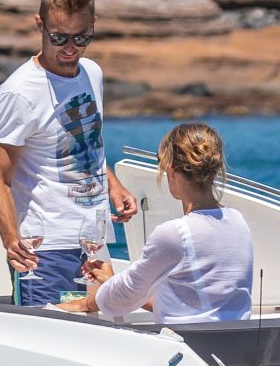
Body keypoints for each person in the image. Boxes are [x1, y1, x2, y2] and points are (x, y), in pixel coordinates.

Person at [0, 0, 136, 308]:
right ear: (39, 25)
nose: (70, 48)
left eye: (81, 37)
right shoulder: (18, 93)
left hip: (94, 243)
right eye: (59, 38)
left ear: (93, 24)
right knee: (49, 335)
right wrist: (11, 241)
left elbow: (85, 146)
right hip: (45, 250)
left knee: (101, 334)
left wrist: (114, 187)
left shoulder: (92, 73)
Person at [69, 122, 254, 323]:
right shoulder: (238, 222)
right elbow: (189, 306)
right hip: (235, 339)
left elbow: (122, 299)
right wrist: (113, 282)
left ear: (172, 170)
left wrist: (83, 303)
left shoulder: (175, 233)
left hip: (185, 340)